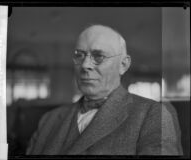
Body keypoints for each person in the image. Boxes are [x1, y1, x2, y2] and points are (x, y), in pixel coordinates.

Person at [26, 24, 183, 155]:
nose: (85, 65)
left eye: (98, 56)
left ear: (123, 65)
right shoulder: (49, 120)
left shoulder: (154, 115)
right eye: (79, 55)